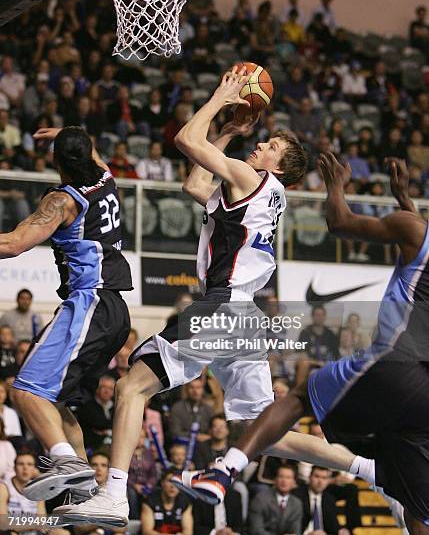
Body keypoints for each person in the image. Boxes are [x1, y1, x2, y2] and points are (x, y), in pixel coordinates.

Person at [52, 66, 308, 526]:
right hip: (246, 317)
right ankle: (367, 467)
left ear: (280, 167)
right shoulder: (262, 192)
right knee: (262, 431)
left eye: (270, 147)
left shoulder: (252, 179)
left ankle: (113, 496)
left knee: (133, 385)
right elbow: (194, 185)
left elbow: (187, 141)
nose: (261, 144)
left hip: (223, 306)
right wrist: (228, 131)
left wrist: (218, 99)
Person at [180, 156, 427, 535]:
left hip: (395, 361)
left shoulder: (417, 231)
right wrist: (404, 201)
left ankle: (223, 471)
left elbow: (341, 223)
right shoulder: (415, 229)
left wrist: (336, 185)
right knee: (418, 506)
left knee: (297, 398)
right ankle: (380, 478)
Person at [0, 126, 133, 502]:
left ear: (55, 161)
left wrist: (66, 139)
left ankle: (67, 463)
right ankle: (87, 492)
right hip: (116, 311)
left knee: (26, 391)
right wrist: (70, 136)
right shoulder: (106, 179)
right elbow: (93, 157)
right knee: (53, 402)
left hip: (90, 302)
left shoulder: (63, 201)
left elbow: (12, 244)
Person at [0, 452, 68, 535]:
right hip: (12, 532)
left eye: (29, 464)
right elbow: (3, 522)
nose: (25, 468)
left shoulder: (38, 488)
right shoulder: (4, 487)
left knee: (63, 533)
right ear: (14, 468)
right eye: (21, 464)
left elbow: (41, 519)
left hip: (34, 532)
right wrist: (35, 524)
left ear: (34, 469)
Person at [248, 465, 303, 535]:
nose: (284, 481)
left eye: (288, 477)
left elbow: (296, 531)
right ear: (275, 479)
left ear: (294, 482)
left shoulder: (297, 503)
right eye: (281, 476)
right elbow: (255, 530)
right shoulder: (260, 499)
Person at [291, 466, 343, 535]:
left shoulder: (329, 499)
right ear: (310, 477)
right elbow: (291, 526)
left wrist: (341, 530)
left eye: (324, 478)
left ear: (328, 481)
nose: (320, 481)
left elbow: (334, 527)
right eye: (317, 476)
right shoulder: (297, 496)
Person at [141, 469, 193, 535]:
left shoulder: (185, 502)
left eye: (177, 482)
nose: (173, 486)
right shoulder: (150, 501)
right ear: (162, 483)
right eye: (170, 481)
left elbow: (188, 532)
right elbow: (147, 532)